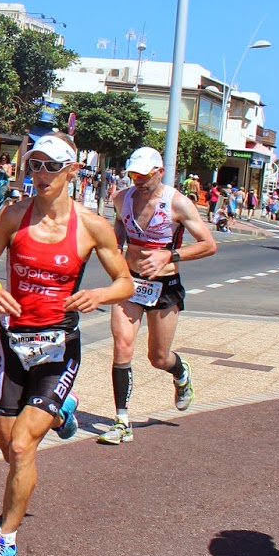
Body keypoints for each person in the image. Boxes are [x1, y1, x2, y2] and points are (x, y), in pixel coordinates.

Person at [0, 133, 134, 556]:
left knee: (23, 446)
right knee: (9, 450)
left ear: (72, 172)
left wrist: (98, 293)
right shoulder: (12, 216)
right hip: (14, 345)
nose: (40, 175)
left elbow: (127, 283)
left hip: (59, 347)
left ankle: (5, 540)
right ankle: (62, 415)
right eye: (34, 165)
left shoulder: (92, 226)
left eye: (50, 167)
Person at [97, 146, 217, 445]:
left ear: (159, 172)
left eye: (144, 175)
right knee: (122, 347)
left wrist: (170, 255)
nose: (137, 180)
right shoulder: (121, 198)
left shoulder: (178, 204)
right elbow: (118, 236)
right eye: (133, 174)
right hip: (130, 283)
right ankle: (122, 421)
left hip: (165, 286)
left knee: (158, 357)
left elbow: (208, 245)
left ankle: (180, 373)